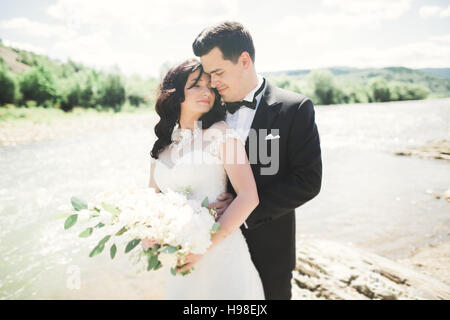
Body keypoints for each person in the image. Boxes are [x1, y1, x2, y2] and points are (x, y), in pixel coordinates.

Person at [192, 21, 322, 300]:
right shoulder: (206, 110)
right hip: (214, 250)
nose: (212, 83)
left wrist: (244, 209)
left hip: (270, 249)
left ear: (244, 60)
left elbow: (308, 181)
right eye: (208, 74)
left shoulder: (294, 109)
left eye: (218, 72)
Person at [147, 58, 265, 299]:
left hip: (220, 253)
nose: (206, 92)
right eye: (196, 85)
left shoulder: (221, 133)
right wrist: (151, 234)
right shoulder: (161, 148)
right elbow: (151, 200)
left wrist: (205, 247)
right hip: (179, 255)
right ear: (176, 93)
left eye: (210, 86)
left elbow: (248, 196)